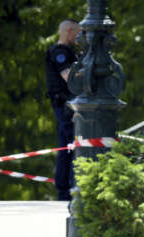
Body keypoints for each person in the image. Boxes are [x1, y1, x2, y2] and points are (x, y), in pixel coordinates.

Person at [45, 19, 80, 201]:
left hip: (65, 107)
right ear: (68, 31)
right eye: (76, 33)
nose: (78, 37)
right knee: (73, 147)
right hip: (65, 107)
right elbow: (70, 79)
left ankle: (65, 190)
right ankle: (71, 189)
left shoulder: (66, 52)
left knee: (66, 148)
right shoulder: (60, 53)